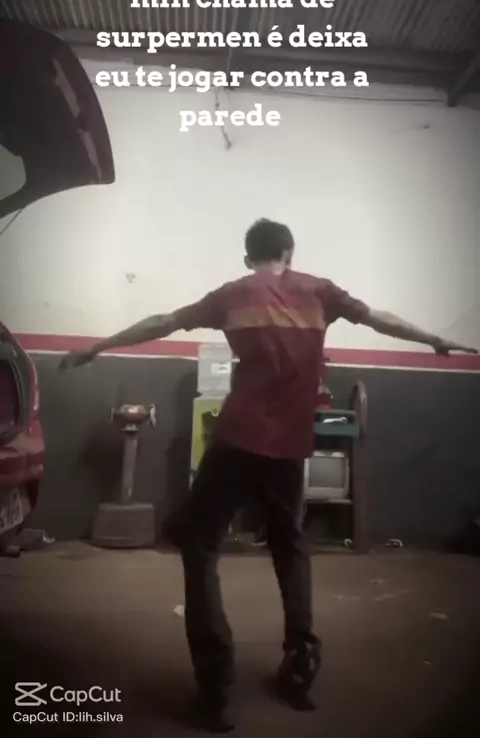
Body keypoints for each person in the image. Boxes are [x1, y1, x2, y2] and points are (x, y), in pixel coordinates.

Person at [60, 218, 477, 732]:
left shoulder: (232, 294)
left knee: (199, 545)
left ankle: (215, 687)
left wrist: (98, 346)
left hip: (236, 442)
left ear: (247, 257)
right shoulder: (320, 292)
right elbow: (379, 319)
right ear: (289, 252)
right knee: (290, 547)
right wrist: (434, 339)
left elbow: (162, 321)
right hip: (289, 449)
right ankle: (300, 668)